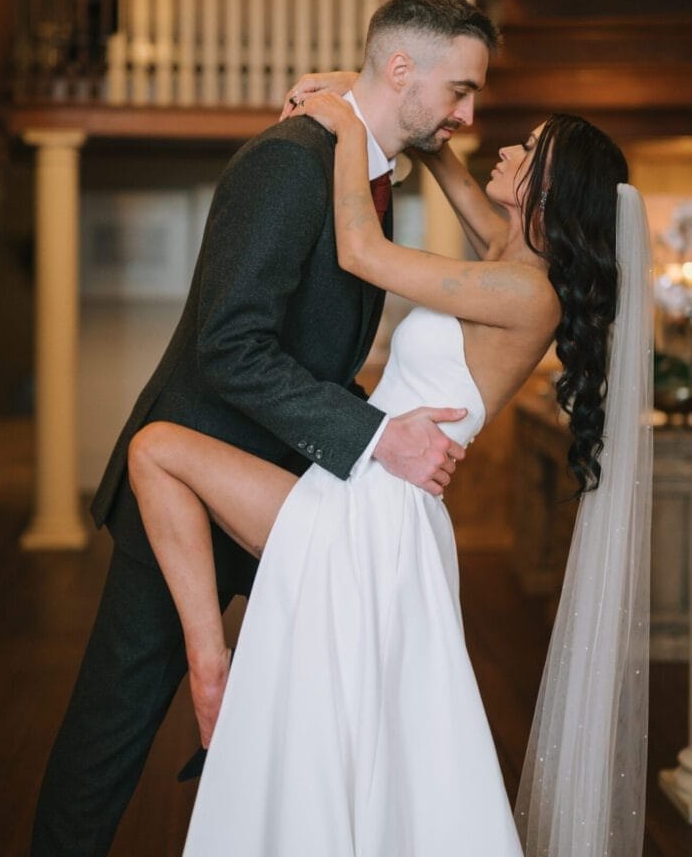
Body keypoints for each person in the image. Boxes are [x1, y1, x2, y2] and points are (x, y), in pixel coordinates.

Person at [31, 0, 500, 857]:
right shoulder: (289, 161)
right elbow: (230, 346)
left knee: (305, 722)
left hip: (289, 497)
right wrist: (374, 436)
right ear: (401, 69)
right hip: (189, 492)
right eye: (460, 91)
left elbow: (310, 352)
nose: (468, 113)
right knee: (111, 735)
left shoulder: (364, 168)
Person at [127, 88, 653, 855]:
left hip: (375, 517)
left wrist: (347, 121)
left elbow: (360, 254)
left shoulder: (523, 293)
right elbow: (466, 186)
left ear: (551, 185)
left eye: (528, 147)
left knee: (157, 451)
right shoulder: (512, 260)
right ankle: (213, 670)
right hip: (360, 493)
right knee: (356, 734)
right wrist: (419, 121)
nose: (503, 147)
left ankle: (210, 673)